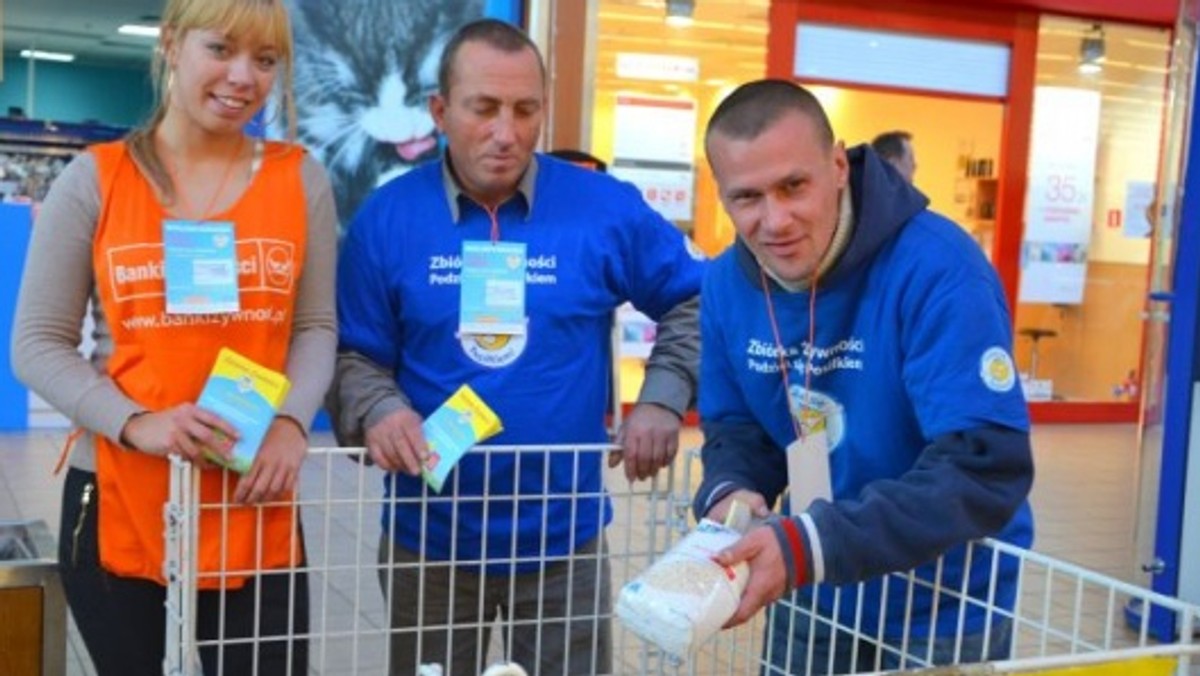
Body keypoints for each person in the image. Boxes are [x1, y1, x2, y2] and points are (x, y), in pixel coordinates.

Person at [326, 18, 704, 676]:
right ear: (441, 112)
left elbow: (697, 299)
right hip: (430, 546)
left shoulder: (602, 208)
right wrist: (378, 408)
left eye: (526, 110)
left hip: (566, 544)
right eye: (485, 109)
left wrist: (664, 399)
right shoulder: (386, 220)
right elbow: (352, 353)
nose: (507, 133)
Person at [10, 0, 337, 673]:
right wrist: (136, 422)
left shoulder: (299, 177)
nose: (243, 76)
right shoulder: (95, 179)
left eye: (266, 60)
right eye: (221, 49)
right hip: (118, 496)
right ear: (171, 44)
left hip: (253, 496)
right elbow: (36, 344)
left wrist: (291, 422)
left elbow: (314, 327)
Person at [693, 80, 1033, 673]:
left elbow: (984, 465)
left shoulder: (938, 267)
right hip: (814, 586)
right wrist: (732, 489)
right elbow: (739, 427)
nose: (775, 220)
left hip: (940, 599)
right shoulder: (726, 284)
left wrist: (805, 546)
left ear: (837, 164)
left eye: (793, 186)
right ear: (722, 197)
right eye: (747, 198)